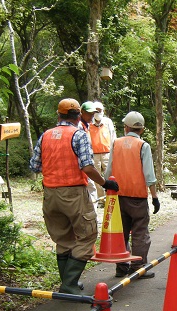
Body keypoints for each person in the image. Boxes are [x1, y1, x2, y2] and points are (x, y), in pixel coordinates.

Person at [29, 98, 119, 294]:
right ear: (78, 116)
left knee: (63, 239)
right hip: (74, 193)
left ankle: (67, 284)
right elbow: (87, 166)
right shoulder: (79, 134)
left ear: (58, 115)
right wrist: (104, 182)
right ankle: (69, 284)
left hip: (50, 195)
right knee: (87, 236)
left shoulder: (45, 135)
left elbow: (34, 166)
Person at [104, 111, 160, 279]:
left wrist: (107, 191)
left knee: (121, 233)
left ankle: (121, 267)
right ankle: (138, 267)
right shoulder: (143, 145)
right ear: (141, 129)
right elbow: (149, 175)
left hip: (118, 196)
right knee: (140, 232)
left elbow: (108, 170)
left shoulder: (116, 143)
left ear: (126, 127)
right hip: (137, 198)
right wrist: (155, 198)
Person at [89, 101, 116, 205]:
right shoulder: (89, 123)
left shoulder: (107, 122)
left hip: (107, 153)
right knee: (96, 177)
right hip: (94, 154)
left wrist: (114, 151)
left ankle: (112, 195)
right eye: (96, 110)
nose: (98, 112)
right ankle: (101, 199)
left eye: (100, 110)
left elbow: (113, 136)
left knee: (110, 174)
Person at [79, 101, 101, 217]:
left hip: (87, 162)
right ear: (82, 113)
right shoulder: (79, 127)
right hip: (83, 165)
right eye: (89, 113)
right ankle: (92, 215)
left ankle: (92, 214)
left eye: (93, 113)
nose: (92, 116)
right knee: (91, 189)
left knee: (91, 189)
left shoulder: (87, 125)